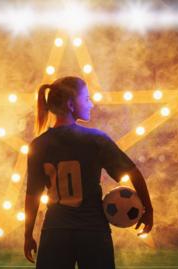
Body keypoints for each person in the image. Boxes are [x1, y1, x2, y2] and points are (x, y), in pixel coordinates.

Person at [24, 76, 153, 269]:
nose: (91, 104)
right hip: (93, 231)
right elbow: (133, 172)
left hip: (56, 231)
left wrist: (28, 234)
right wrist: (148, 210)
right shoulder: (95, 139)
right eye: (86, 99)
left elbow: (32, 194)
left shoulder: (38, 145)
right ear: (70, 104)